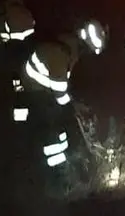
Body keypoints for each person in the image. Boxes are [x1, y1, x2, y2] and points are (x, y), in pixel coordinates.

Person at [16, 33, 79, 184]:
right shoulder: (58, 58)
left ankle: (49, 167)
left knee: (48, 129)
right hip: (38, 95)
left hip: (33, 93)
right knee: (53, 133)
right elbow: (60, 92)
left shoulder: (55, 51)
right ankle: (58, 175)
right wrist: (70, 108)